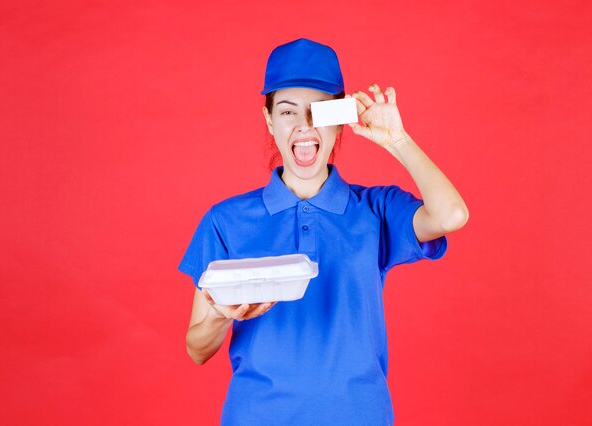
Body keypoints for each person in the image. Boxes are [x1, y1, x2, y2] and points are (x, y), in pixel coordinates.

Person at [179, 38, 468, 425]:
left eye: (319, 111)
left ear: (339, 119)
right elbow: (197, 348)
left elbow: (451, 215)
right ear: (269, 120)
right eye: (286, 111)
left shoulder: (375, 210)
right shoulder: (226, 220)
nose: (303, 126)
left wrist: (397, 139)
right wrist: (219, 315)